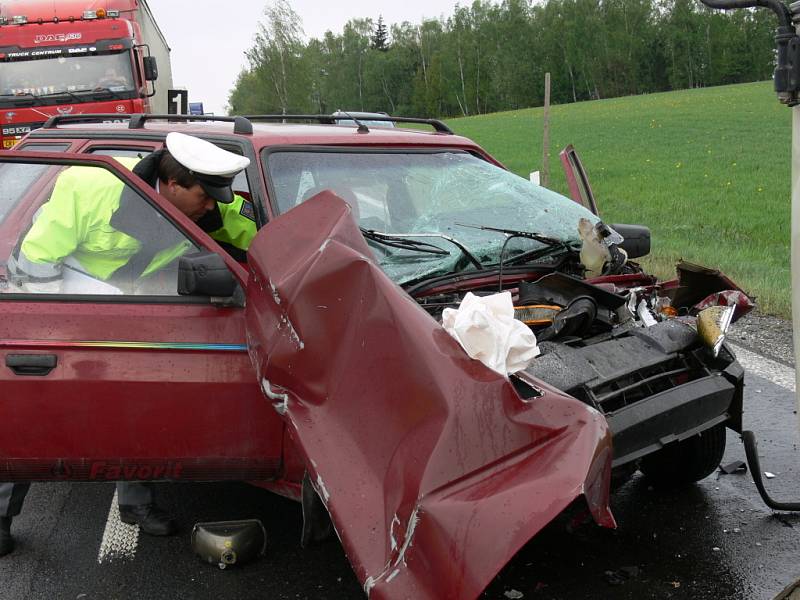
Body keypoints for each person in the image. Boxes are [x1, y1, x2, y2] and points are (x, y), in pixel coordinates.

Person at [1, 132, 257, 557]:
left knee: (134, 403)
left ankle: (136, 505)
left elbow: (260, 239)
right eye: (204, 197)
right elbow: (38, 258)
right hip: (57, 298)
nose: (213, 206)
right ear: (172, 184)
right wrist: (53, 339)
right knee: (36, 408)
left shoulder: (213, 200)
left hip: (132, 306)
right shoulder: (90, 186)